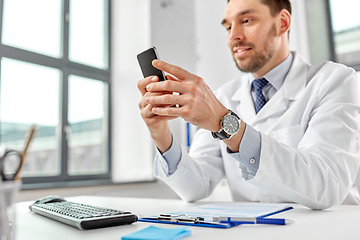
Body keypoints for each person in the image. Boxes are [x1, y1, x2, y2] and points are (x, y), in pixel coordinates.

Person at [137, 0, 360, 210]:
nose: (233, 36)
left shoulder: (335, 81)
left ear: (282, 22)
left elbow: (328, 184)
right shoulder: (224, 96)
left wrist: (223, 123)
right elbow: (196, 186)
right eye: (227, 27)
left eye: (246, 21)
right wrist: (161, 135)